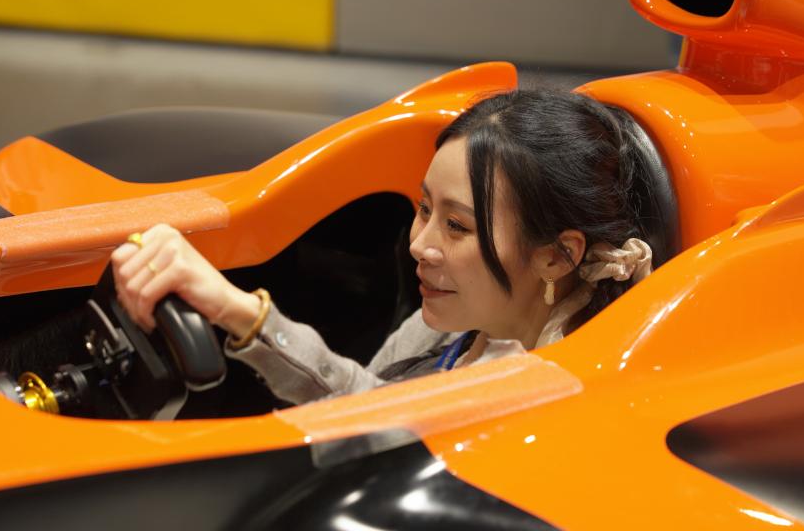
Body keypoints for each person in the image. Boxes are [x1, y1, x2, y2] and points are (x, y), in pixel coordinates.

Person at [111, 89, 653, 405]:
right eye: (424, 209)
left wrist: (237, 310)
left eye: (456, 226)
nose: (420, 245)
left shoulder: (565, 391)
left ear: (556, 256)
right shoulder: (447, 322)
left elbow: (391, 429)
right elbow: (369, 403)